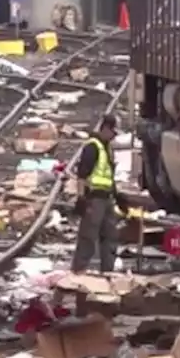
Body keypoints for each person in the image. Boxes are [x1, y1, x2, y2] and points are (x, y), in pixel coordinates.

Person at [70, 114, 120, 272]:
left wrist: (116, 194)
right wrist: (81, 198)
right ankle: (78, 271)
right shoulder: (92, 147)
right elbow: (82, 175)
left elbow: (108, 175)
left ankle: (108, 272)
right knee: (88, 238)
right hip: (94, 199)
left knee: (110, 237)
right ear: (105, 128)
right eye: (113, 132)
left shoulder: (108, 148)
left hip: (107, 199)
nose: (114, 136)